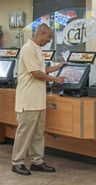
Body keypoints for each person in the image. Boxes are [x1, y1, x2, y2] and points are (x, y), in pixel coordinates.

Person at [10, 24, 65, 176]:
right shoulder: (27, 49)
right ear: (41, 33)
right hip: (28, 100)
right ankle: (17, 162)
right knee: (25, 132)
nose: (49, 40)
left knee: (38, 133)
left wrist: (58, 67)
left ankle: (37, 161)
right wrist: (55, 79)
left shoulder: (37, 50)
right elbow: (36, 73)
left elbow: (41, 69)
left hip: (38, 101)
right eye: (48, 37)